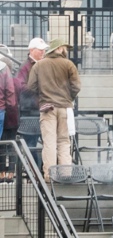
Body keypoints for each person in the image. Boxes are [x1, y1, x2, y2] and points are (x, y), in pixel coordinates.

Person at [27, 43, 80, 171]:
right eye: (65, 48)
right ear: (59, 48)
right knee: (64, 141)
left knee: (49, 142)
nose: (66, 50)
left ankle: (49, 176)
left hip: (47, 108)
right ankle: (65, 174)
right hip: (64, 108)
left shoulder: (39, 65)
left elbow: (30, 87)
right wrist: (69, 98)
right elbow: (76, 87)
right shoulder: (68, 64)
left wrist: (41, 98)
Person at [11, 39, 44, 156]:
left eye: (43, 49)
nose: (43, 52)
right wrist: (38, 88)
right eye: (40, 50)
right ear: (32, 50)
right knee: (31, 145)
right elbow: (20, 87)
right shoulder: (25, 67)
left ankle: (37, 171)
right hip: (31, 111)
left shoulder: (32, 66)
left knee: (34, 145)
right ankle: (36, 172)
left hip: (36, 110)